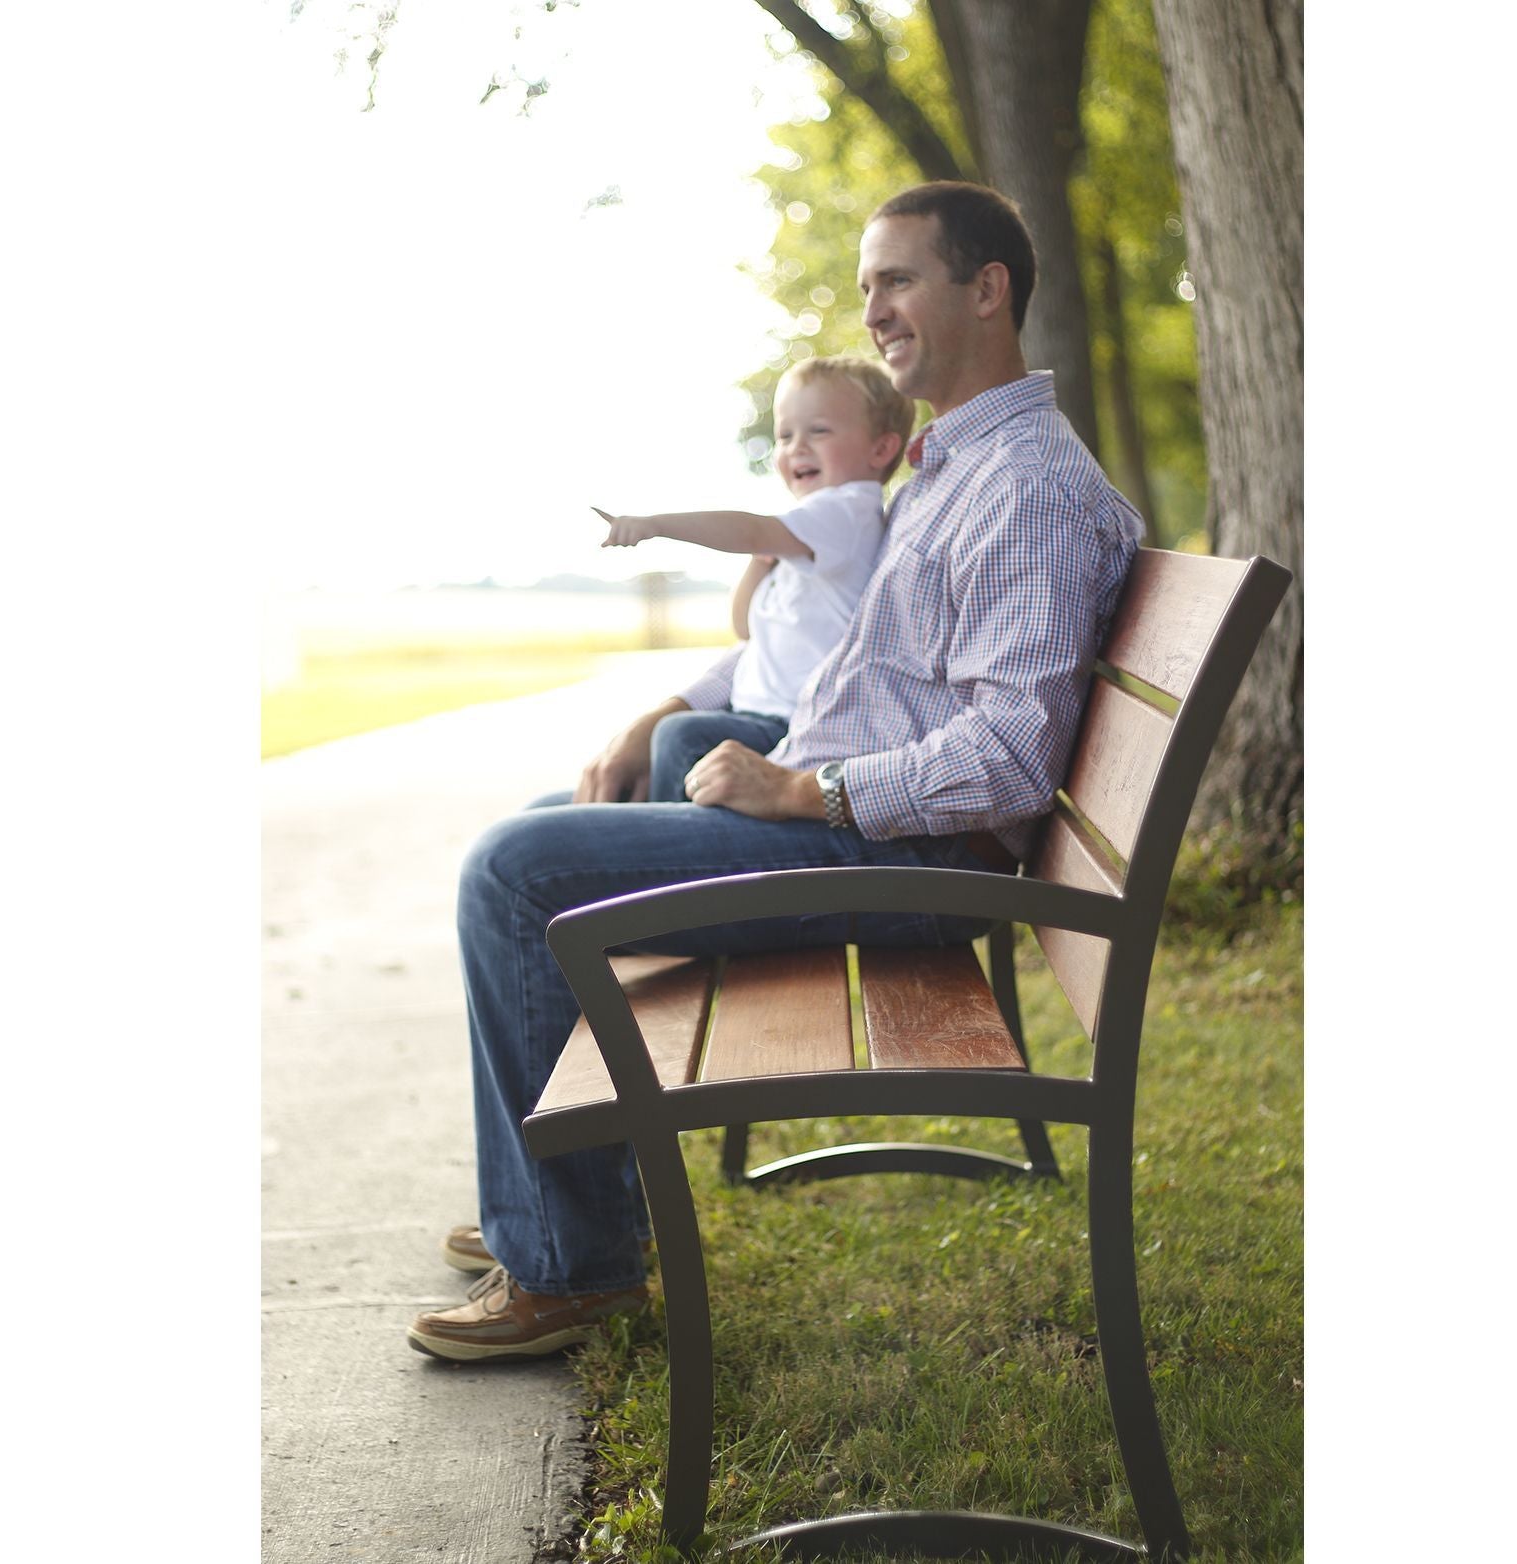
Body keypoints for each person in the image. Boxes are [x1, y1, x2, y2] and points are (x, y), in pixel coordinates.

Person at [409, 180, 1145, 1363]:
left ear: (986, 288)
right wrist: (682, 716)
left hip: (905, 854)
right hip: (869, 822)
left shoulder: (1027, 489)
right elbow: (832, 652)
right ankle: (551, 1204)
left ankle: (568, 1257)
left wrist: (804, 792)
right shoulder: (951, 471)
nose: (875, 310)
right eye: (866, 289)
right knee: (576, 807)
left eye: (896, 279)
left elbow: (1007, 757)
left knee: (513, 871)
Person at [590, 355, 915, 803]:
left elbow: (749, 529)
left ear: (880, 449)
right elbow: (744, 627)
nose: (796, 447)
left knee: (681, 738)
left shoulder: (847, 510)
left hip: (788, 725)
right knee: (676, 740)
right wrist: (764, 558)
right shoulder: (811, 539)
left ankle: (666, 855)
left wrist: (656, 524)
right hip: (758, 715)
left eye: (818, 431)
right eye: (785, 435)